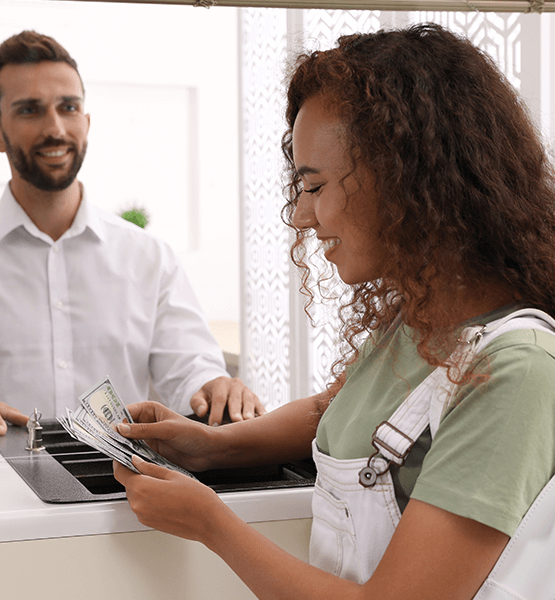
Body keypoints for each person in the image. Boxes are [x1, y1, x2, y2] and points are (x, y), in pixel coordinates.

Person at [113, 23, 555, 599]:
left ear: (407, 180)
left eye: (315, 187)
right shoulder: (416, 317)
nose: (300, 217)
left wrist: (211, 524)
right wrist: (212, 447)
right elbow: (341, 408)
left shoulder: (516, 372)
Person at [0, 30, 265, 435]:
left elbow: (191, 369)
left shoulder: (149, 258)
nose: (55, 128)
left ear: (86, 123)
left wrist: (216, 389)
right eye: (29, 110)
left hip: (122, 491)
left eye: (68, 107)